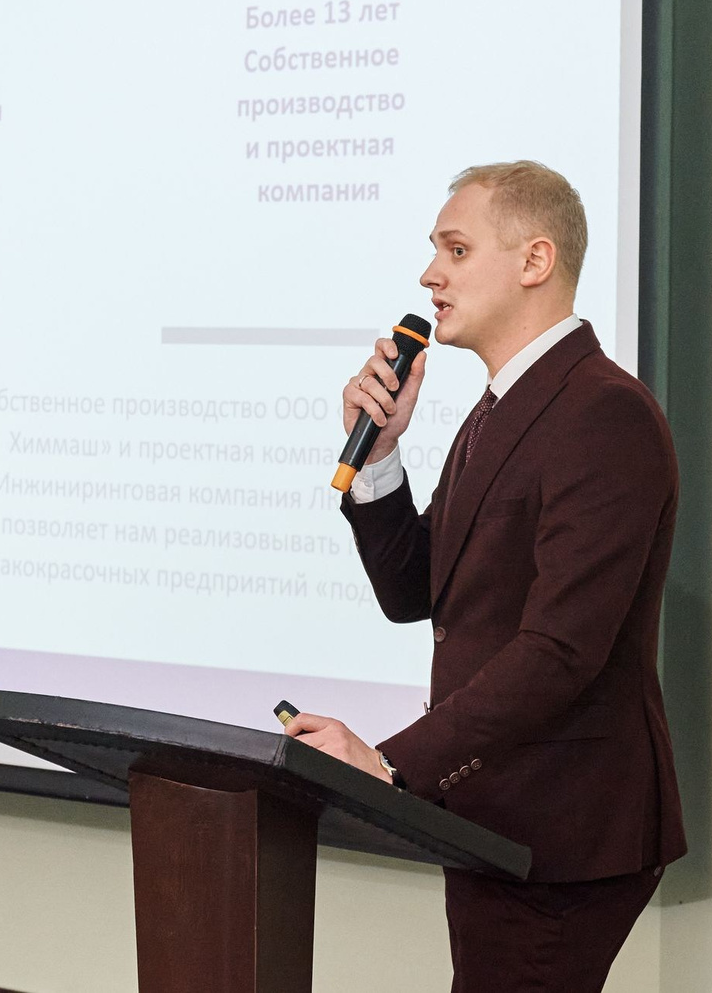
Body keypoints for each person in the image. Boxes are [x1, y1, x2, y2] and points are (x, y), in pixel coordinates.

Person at [283, 161, 684, 992]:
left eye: (456, 250)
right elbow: (416, 593)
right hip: (496, 818)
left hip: (561, 831)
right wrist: (380, 454)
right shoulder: (500, 409)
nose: (430, 275)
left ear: (535, 261)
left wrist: (391, 763)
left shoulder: (603, 413)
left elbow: (560, 650)